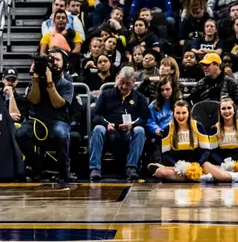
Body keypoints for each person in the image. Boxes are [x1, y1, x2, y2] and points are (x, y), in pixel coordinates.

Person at [19, 50, 75, 182]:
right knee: (20, 133)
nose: (53, 63)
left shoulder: (66, 84)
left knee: (61, 134)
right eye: (50, 60)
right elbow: (34, 100)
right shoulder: (37, 80)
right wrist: (35, 79)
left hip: (57, 120)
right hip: (37, 120)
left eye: (56, 60)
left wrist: (50, 82)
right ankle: (37, 167)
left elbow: (58, 104)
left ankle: (64, 170)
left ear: (64, 64)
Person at [88, 66, 150, 181]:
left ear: (134, 83)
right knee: (98, 129)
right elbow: (96, 116)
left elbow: (144, 118)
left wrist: (132, 125)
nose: (124, 87)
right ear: (117, 79)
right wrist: (107, 124)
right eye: (121, 82)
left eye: (128, 84)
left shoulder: (139, 98)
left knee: (140, 130)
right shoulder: (106, 95)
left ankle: (131, 167)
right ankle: (95, 168)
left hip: (129, 133)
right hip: (109, 132)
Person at [149, 99, 213, 182]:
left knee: (209, 166)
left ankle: (195, 176)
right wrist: (178, 166)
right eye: (178, 113)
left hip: (197, 164)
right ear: (173, 114)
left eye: (184, 113)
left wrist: (197, 164)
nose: (181, 116)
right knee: (159, 172)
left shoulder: (198, 126)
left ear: (188, 113)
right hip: (177, 167)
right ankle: (199, 178)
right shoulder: (168, 129)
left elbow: (206, 150)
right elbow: (166, 154)